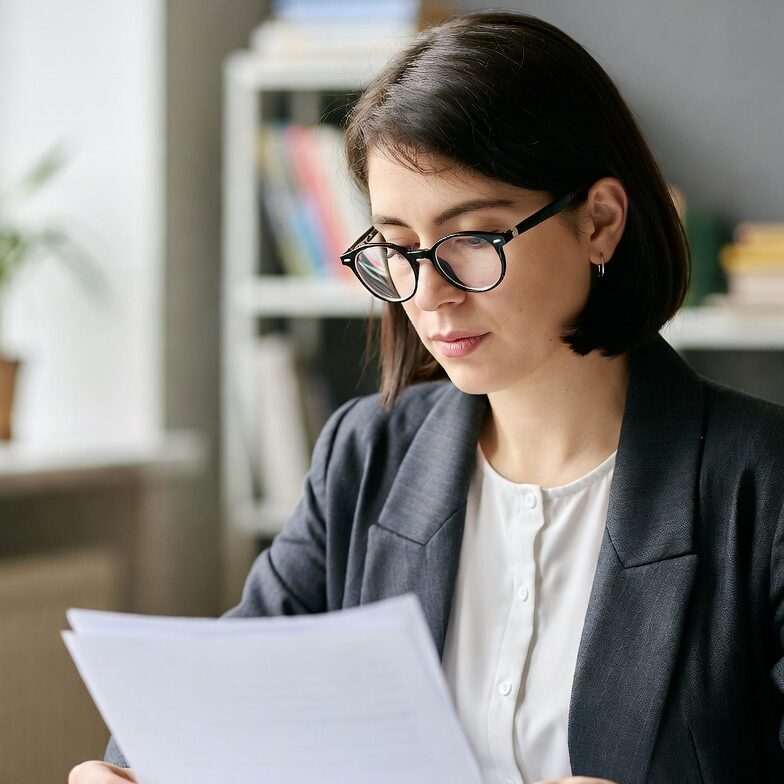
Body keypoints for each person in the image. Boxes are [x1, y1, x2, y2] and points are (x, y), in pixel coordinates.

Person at [70, 10, 784, 784]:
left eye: (473, 239)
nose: (428, 294)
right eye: (397, 248)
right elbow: (230, 691)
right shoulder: (365, 455)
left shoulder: (762, 485)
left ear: (600, 222)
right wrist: (131, 768)